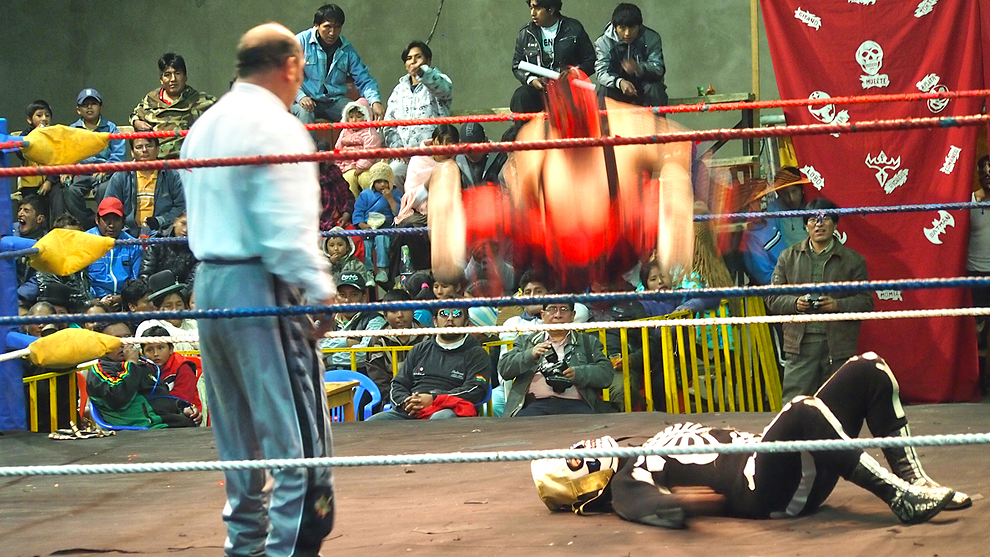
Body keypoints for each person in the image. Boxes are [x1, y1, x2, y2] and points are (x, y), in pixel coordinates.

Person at [180, 23, 336, 556]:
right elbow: (285, 227)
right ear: (291, 66)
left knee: (236, 435)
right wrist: (319, 289)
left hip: (208, 285)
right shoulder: (277, 127)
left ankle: (242, 547)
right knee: (294, 439)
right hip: (259, 282)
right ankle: (288, 550)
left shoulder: (203, 125)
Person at [530, 353, 970, 529]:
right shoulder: (626, 482)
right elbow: (647, 508)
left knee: (868, 368)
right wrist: (682, 505)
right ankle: (899, 496)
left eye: (573, 450)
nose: (583, 450)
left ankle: (916, 479)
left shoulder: (639, 449)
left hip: (780, 462)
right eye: (575, 463)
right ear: (586, 490)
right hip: (765, 487)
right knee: (800, 409)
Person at [767, 198, 874, 401]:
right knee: (795, 407)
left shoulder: (853, 260)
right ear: (805, 225)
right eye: (813, 219)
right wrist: (795, 303)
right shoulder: (787, 257)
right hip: (799, 345)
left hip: (838, 346)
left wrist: (837, 305)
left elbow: (866, 302)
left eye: (826, 219)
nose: (819, 224)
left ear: (835, 223)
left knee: (839, 406)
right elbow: (772, 299)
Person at [368, 306, 492, 420]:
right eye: (443, 314)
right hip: (412, 410)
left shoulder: (477, 354)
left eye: (457, 314)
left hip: (449, 410)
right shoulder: (419, 349)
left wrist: (434, 398)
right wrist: (407, 402)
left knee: (438, 420)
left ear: (466, 322)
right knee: (372, 423)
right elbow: (398, 384)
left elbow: (476, 389)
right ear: (434, 321)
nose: (450, 319)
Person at [499, 302, 614, 416]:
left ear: (573, 315)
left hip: (577, 405)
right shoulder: (526, 341)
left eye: (564, 309)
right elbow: (504, 369)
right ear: (543, 315)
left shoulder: (588, 342)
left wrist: (579, 373)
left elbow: (606, 374)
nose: (558, 315)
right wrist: (530, 355)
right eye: (552, 309)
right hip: (534, 405)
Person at [85, 321, 199, 429]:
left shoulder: (143, 366)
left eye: (127, 337)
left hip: (166, 423)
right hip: (140, 429)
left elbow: (161, 396)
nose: (124, 343)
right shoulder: (99, 371)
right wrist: (131, 364)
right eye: (116, 339)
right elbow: (119, 396)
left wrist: (182, 407)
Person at [292, 3, 384, 125]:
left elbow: (364, 79)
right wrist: (300, 96)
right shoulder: (300, 42)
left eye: (337, 27)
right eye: (327, 27)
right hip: (303, 100)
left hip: (333, 101)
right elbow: (284, 75)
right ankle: (312, 145)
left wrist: (375, 101)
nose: (332, 32)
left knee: (358, 112)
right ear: (316, 25)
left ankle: (358, 144)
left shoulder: (346, 49)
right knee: (304, 113)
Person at [383, 40, 453, 188]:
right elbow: (389, 124)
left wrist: (423, 73)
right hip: (405, 157)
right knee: (393, 173)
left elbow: (444, 89)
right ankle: (404, 210)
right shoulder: (398, 90)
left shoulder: (438, 81)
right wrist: (398, 149)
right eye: (409, 58)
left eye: (418, 57)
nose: (413, 62)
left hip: (433, 154)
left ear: (428, 60)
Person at [511, 0, 596, 113]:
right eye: (531, 8)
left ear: (551, 10)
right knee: (521, 96)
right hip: (539, 89)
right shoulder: (526, 33)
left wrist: (574, 72)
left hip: (568, 89)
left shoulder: (574, 29)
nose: (533, 13)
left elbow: (591, 60)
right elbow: (517, 64)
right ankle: (521, 129)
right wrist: (531, 79)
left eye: (537, 8)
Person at [131, 52, 216, 158]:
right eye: (167, 75)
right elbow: (135, 114)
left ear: (185, 77)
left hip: (187, 162)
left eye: (177, 73)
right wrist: (136, 122)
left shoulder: (199, 99)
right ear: (161, 80)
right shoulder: (151, 99)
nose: (173, 79)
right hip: (157, 165)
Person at [63, 88, 126, 228]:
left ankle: (104, 223)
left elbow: (119, 154)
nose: (89, 107)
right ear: (79, 110)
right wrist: (66, 169)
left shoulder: (110, 128)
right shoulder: (73, 130)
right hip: (80, 171)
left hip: (104, 172)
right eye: (85, 105)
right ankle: (91, 222)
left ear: (101, 107)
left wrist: (107, 167)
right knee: (69, 191)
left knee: (105, 189)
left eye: (93, 103)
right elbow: (66, 154)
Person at [103, 137, 186, 237]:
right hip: (126, 234)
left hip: (162, 233)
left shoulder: (172, 175)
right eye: (139, 147)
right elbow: (109, 206)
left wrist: (160, 221)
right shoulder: (121, 176)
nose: (144, 150)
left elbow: (181, 206)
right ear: (132, 152)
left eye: (149, 146)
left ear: (158, 149)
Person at [593, 3, 668, 107]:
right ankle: (603, 123)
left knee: (656, 89)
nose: (627, 33)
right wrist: (619, 82)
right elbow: (601, 73)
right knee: (604, 91)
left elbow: (659, 68)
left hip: (644, 88)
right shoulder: (603, 42)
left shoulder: (652, 38)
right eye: (622, 28)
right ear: (615, 27)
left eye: (632, 28)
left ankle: (658, 123)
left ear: (639, 26)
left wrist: (639, 68)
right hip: (617, 89)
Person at [364, 289, 428, 399]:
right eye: (393, 311)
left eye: (405, 309)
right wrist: (396, 397)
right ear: (385, 316)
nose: (400, 315)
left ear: (413, 311)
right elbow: (378, 376)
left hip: (423, 394)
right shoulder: (378, 340)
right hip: (390, 396)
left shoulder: (427, 336)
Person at [317, 271, 385, 372]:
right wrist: (345, 342)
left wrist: (329, 361)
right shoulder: (325, 320)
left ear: (364, 297)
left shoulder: (375, 320)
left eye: (354, 294)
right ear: (335, 298)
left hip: (362, 383)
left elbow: (364, 354)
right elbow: (310, 348)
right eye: (342, 295)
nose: (347, 300)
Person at [86, 197, 142, 306]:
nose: (111, 225)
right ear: (97, 220)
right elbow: (80, 281)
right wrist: (96, 302)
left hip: (126, 302)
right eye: (107, 219)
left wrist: (122, 298)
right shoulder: (85, 242)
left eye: (116, 219)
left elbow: (136, 281)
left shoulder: (133, 244)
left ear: (123, 221)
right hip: (92, 304)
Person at [353, 161, 400, 284]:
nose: (383, 185)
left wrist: (390, 199)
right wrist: (362, 225)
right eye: (379, 182)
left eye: (386, 181)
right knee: (366, 243)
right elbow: (358, 212)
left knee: (382, 239)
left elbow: (398, 212)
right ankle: (368, 271)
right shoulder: (365, 194)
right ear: (373, 182)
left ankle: (382, 269)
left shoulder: (395, 193)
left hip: (386, 226)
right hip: (368, 225)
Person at [140, 325, 203, 414]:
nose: (155, 354)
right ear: (143, 353)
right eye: (149, 350)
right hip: (157, 414)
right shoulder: (142, 368)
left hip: (186, 415)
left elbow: (182, 402)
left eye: (160, 348)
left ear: (171, 349)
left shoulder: (183, 368)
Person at [36, 213, 91, 313]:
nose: (74, 242)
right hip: (60, 316)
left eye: (78, 237)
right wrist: (89, 304)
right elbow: (56, 299)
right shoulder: (48, 264)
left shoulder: (82, 261)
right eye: (69, 238)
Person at [334, 98, 383, 197]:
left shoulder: (370, 132)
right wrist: (338, 165)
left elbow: (370, 152)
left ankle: (373, 203)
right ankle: (354, 204)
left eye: (358, 117)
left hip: (366, 166)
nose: (354, 120)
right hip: (347, 166)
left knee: (366, 180)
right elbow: (338, 149)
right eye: (351, 117)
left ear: (366, 117)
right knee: (348, 179)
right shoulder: (344, 132)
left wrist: (360, 166)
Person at [15, 100, 60, 203]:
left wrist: (49, 181)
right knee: (32, 206)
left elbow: (59, 160)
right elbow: (20, 155)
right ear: (29, 120)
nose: (44, 118)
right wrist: (36, 134)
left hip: (51, 180)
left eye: (47, 115)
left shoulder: (55, 136)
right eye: (39, 116)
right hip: (29, 184)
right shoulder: (26, 135)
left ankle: (56, 219)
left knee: (58, 194)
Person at [139, 211, 197, 290]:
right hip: (155, 294)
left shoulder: (197, 249)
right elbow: (145, 275)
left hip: (182, 296)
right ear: (175, 222)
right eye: (183, 223)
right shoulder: (157, 241)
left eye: (191, 226)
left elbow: (192, 282)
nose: (185, 230)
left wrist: (180, 295)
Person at [13, 195, 48, 307]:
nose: (20, 214)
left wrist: (14, 297)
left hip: (28, 300)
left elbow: (39, 279)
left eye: (26, 210)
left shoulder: (47, 243)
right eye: (20, 209)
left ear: (39, 219)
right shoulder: (7, 232)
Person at [767, 166, 811, 248]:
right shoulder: (773, 212)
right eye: (785, 193)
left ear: (802, 189)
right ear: (779, 194)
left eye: (794, 191)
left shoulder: (812, 207)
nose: (791, 198)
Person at [454, 123, 502, 188]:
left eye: (474, 147)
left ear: (485, 141)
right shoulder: (456, 161)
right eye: (465, 148)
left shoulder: (500, 158)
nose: (470, 153)